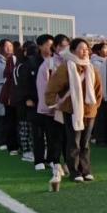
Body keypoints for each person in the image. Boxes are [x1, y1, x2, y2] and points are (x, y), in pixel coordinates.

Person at [44, 38, 102, 188]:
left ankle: (86, 170)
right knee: (74, 142)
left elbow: (98, 89)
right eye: (82, 49)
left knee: (85, 142)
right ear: (73, 50)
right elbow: (53, 86)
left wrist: (95, 107)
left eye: (87, 49)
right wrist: (51, 103)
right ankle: (74, 171)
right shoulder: (66, 67)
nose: (85, 51)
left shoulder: (91, 67)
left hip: (89, 111)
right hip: (72, 110)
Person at [37, 35, 69, 175]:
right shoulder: (48, 64)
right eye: (62, 46)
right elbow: (44, 88)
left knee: (67, 137)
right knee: (55, 138)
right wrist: (52, 105)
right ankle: (55, 163)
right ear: (55, 47)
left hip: (68, 107)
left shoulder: (70, 62)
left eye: (67, 46)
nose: (65, 49)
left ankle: (68, 162)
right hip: (53, 109)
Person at [12, 42, 42, 166]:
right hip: (23, 101)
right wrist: (26, 98)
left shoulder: (29, 64)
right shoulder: (21, 66)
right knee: (25, 127)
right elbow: (20, 85)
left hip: (30, 100)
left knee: (31, 127)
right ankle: (26, 151)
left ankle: (32, 150)